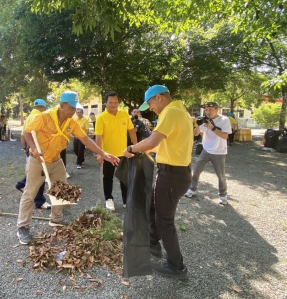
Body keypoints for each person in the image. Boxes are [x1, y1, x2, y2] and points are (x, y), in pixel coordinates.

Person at [17, 91, 119, 245]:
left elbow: (84, 139)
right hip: (38, 160)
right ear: (62, 105)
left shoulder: (71, 122)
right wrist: (34, 149)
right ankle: (22, 227)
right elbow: (28, 132)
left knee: (62, 189)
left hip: (56, 160)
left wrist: (103, 153)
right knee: (30, 193)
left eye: (74, 108)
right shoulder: (43, 117)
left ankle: (56, 219)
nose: (73, 112)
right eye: (71, 108)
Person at [123, 85, 192, 279]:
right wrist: (141, 148)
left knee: (165, 221)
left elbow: (153, 141)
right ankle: (153, 243)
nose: (151, 108)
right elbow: (162, 145)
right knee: (153, 207)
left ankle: (176, 266)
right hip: (173, 173)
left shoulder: (171, 112)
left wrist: (133, 148)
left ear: (159, 97)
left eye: (151, 103)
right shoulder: (181, 111)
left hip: (172, 175)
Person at [95, 91, 137, 210]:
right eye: (110, 102)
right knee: (108, 177)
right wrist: (99, 153)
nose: (113, 104)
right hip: (108, 154)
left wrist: (137, 146)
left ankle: (126, 200)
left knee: (124, 178)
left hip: (124, 153)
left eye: (115, 102)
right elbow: (98, 136)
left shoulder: (124, 114)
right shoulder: (101, 118)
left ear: (118, 103)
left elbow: (131, 131)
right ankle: (109, 199)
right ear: (105, 103)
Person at [185, 101, 231, 204]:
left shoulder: (224, 120)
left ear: (216, 110)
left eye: (210, 109)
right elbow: (195, 134)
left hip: (219, 151)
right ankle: (192, 189)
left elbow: (225, 136)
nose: (208, 112)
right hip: (206, 149)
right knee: (196, 170)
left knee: (221, 174)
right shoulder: (204, 120)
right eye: (206, 110)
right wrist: (198, 124)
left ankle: (223, 195)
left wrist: (212, 128)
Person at [15, 99, 50, 210]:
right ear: (43, 107)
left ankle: (22, 184)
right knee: (41, 173)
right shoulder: (40, 117)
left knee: (34, 172)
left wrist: (25, 148)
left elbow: (23, 135)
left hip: (31, 147)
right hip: (38, 148)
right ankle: (39, 202)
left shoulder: (29, 117)